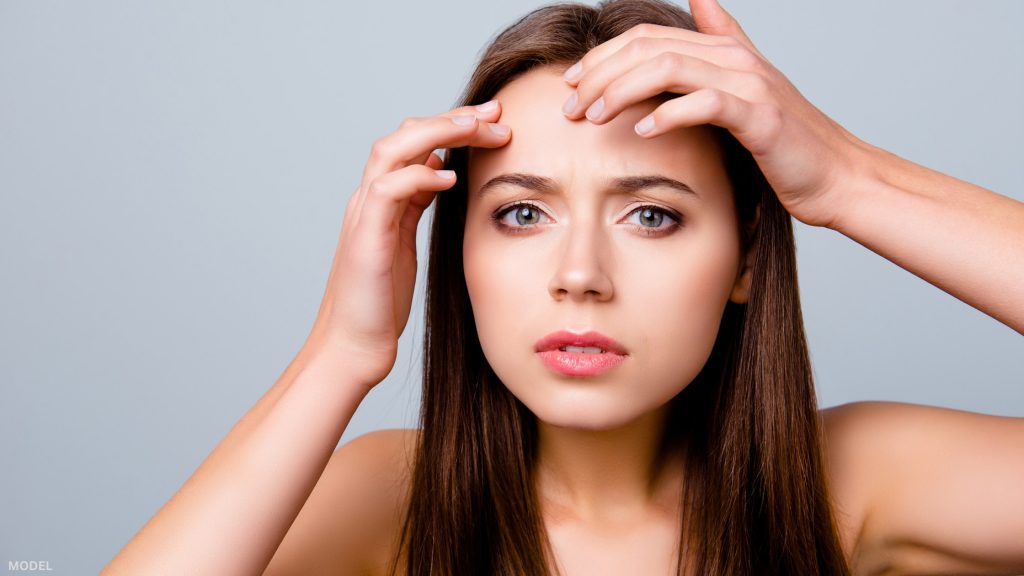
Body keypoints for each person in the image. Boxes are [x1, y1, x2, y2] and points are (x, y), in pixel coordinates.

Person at [101, 0, 1024, 574]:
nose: (579, 276)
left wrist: (846, 180)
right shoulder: (390, 498)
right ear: (456, 247)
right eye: (521, 214)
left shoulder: (856, 483)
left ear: (745, 259)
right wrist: (340, 354)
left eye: (652, 215)